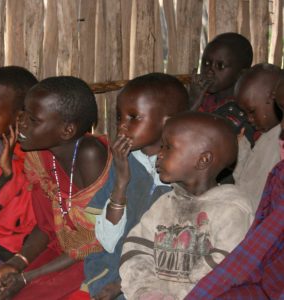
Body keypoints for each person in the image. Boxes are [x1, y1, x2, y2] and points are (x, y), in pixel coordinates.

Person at [0, 76, 112, 300]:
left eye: (33, 120)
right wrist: (15, 265)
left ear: (67, 130)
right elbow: (46, 228)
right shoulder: (40, 154)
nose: (21, 123)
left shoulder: (90, 155)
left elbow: (98, 241)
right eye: (23, 113)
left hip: (98, 256)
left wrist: (26, 278)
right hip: (61, 253)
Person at [119, 111, 253, 299]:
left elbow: (224, 272)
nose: (160, 154)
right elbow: (137, 248)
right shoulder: (166, 203)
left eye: (168, 147)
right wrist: (147, 291)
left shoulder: (231, 210)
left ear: (203, 160)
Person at [80, 73, 190, 300]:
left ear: (168, 122)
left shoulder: (185, 175)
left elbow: (176, 253)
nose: (122, 126)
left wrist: (123, 284)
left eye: (133, 118)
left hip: (157, 278)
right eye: (119, 117)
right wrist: (121, 182)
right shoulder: (126, 161)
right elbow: (108, 241)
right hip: (110, 266)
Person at [185, 71, 284, 300]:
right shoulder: (269, 143)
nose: (249, 119)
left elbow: (259, 246)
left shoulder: (275, 146)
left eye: (251, 111)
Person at [0, 66, 37, 267]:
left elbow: (24, 225)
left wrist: (9, 175)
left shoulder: (37, 159)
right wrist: (4, 176)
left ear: (20, 118)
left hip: (8, 253)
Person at [232, 63, 282, 213]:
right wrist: (242, 148)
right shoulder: (266, 136)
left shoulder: (278, 140)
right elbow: (245, 180)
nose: (249, 119)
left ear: (274, 98)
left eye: (252, 111)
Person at [190, 32, 255, 146]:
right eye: (206, 63)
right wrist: (193, 102)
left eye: (220, 66)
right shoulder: (200, 96)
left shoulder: (243, 111)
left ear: (241, 73)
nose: (209, 71)